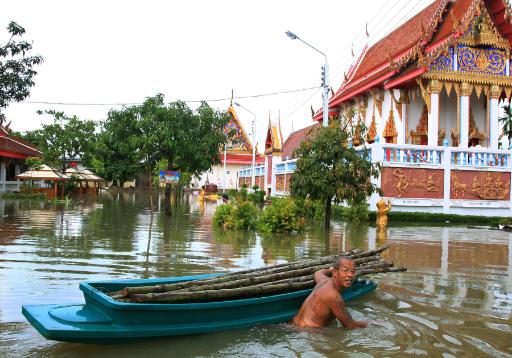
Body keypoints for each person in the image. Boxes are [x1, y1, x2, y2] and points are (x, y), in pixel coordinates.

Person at [292, 256, 367, 329]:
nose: (350, 275)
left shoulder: (323, 281)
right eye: (345, 271)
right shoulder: (334, 297)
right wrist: (369, 323)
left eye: (353, 271)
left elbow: (318, 273)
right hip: (310, 332)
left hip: (293, 326)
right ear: (335, 272)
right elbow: (350, 325)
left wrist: (329, 270)